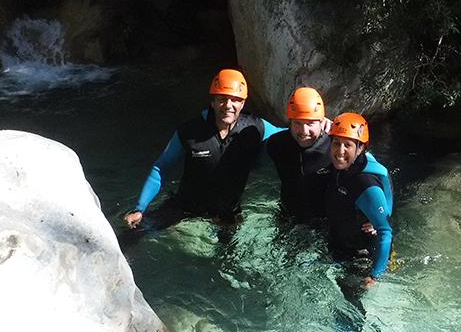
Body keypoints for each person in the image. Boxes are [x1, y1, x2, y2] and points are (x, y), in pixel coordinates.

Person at [123, 69, 283, 231]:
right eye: (222, 99)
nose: (228, 105)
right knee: (135, 231)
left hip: (226, 212)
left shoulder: (255, 127)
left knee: (230, 253)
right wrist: (139, 208)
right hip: (185, 206)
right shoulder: (190, 131)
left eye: (235, 100)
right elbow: (161, 168)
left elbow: (289, 136)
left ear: (242, 103)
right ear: (213, 102)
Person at [325, 112, 393, 290]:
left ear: (360, 148)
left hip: (360, 255)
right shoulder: (347, 165)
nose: (340, 151)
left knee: (348, 302)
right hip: (339, 243)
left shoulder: (365, 183)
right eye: (336, 143)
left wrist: (374, 276)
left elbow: (385, 231)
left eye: (347, 145)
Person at [265, 87, 331, 220]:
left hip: (323, 221)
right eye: (297, 123)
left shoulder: (334, 146)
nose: (304, 131)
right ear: (290, 122)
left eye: (310, 123)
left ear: (321, 121)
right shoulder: (276, 144)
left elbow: (366, 167)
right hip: (287, 215)